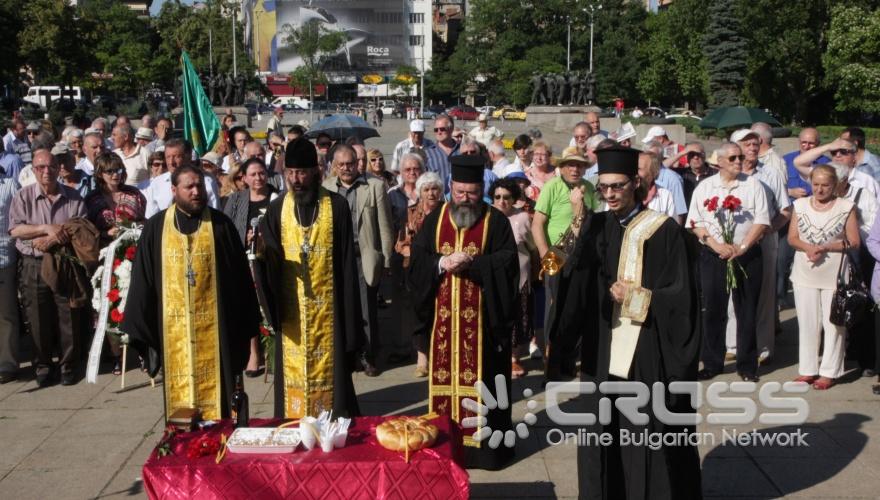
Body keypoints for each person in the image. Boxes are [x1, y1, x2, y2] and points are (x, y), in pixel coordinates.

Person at [547, 145, 702, 500]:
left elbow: (683, 299)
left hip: (647, 351)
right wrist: (577, 222)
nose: (611, 194)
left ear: (636, 184)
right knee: (603, 433)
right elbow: (554, 268)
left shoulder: (664, 232)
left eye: (618, 186)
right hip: (603, 348)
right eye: (603, 187)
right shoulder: (594, 226)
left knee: (646, 433)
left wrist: (637, 296)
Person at [122, 165, 259, 420]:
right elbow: (144, 283)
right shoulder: (156, 228)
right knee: (180, 410)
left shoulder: (220, 225)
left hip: (217, 337)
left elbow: (240, 282)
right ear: (174, 190)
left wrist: (244, 328)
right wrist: (145, 336)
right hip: (174, 335)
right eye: (189, 187)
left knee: (222, 405)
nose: (196, 192)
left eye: (200, 186)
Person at [409, 154, 519, 470]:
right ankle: (446, 445)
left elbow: (508, 263)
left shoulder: (495, 222)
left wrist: (474, 265)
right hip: (443, 325)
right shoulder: (435, 219)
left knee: (487, 388)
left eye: (472, 192)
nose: (466, 198)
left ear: (480, 189)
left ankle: (487, 453)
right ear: (451, 187)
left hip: (484, 329)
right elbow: (418, 262)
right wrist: (441, 263)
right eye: (460, 192)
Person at [258, 137, 363, 418]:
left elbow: (347, 269)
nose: (296, 179)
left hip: (329, 315)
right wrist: (260, 255)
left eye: (302, 172)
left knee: (335, 388)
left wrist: (351, 324)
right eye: (290, 173)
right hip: (292, 314)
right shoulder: (277, 209)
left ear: (315, 172)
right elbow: (267, 258)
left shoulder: (336, 207)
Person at [687, 142, 770, 382]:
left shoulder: (752, 185)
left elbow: (762, 220)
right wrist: (717, 246)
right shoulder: (705, 187)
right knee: (713, 310)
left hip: (747, 255)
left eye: (740, 157)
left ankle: (747, 365)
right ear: (720, 161)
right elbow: (695, 222)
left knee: (746, 310)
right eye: (733, 157)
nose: (738, 161)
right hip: (714, 256)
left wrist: (742, 247)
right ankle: (712, 362)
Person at [8, 149, 88, 387]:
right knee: (37, 317)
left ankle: (68, 366)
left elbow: (80, 228)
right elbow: (16, 230)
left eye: (51, 166)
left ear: (58, 168)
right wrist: (46, 228)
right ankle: (43, 366)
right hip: (34, 263)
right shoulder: (23, 197)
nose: (46, 172)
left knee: (69, 315)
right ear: (33, 170)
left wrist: (52, 239)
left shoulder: (73, 197)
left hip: (65, 262)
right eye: (41, 167)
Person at [322, 145, 394, 377]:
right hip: (336, 258)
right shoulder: (325, 189)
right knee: (340, 307)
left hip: (364, 256)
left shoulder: (374, 187)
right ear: (334, 165)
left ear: (357, 164)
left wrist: (386, 261)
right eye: (341, 165)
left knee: (365, 309)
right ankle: (345, 355)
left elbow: (385, 227)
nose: (346, 169)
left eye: (350, 164)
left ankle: (367, 355)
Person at [788, 165, 859, 390]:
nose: (819, 190)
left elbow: (854, 241)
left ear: (835, 185)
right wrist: (808, 247)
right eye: (816, 184)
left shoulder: (846, 207)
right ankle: (807, 369)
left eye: (825, 185)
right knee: (808, 322)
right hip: (805, 270)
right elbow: (792, 237)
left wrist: (828, 246)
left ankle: (830, 371)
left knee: (833, 324)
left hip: (834, 273)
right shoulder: (799, 205)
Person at [532, 147, 600, 377]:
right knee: (554, 308)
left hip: (581, 255)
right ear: (562, 167)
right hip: (557, 253)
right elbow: (537, 223)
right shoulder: (552, 186)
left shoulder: (589, 188)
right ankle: (551, 365)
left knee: (577, 308)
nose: (575, 168)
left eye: (579, 165)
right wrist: (544, 255)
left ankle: (569, 362)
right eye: (570, 164)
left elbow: (589, 221)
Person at [85, 153, 147, 375]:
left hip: (130, 255)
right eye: (110, 171)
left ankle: (142, 351)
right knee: (108, 306)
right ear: (100, 174)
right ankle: (117, 355)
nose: (115, 175)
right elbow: (88, 231)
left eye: (119, 170)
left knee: (134, 302)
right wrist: (105, 232)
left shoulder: (135, 195)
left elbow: (144, 222)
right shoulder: (92, 200)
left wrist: (131, 226)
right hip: (105, 258)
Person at [222, 157, 279, 378]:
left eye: (261, 173)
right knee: (250, 307)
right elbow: (226, 230)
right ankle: (253, 354)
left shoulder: (278, 198)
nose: (258, 178)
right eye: (253, 174)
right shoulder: (236, 200)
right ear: (244, 178)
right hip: (245, 261)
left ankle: (275, 353)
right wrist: (244, 239)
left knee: (271, 306)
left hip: (271, 261)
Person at [392, 171, 443, 376]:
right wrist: (411, 253)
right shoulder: (411, 212)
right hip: (417, 269)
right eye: (426, 189)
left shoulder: (447, 211)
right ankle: (422, 359)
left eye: (434, 189)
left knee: (440, 312)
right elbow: (401, 243)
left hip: (441, 266)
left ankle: (441, 356)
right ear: (420, 192)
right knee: (420, 312)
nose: (431, 193)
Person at [490, 178, 535, 379]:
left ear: (514, 199)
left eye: (506, 197)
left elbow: (532, 246)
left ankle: (514, 358)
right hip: (493, 276)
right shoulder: (486, 216)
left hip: (519, 275)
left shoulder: (523, 217)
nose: (502, 201)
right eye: (497, 197)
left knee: (517, 317)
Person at [143, 139, 220, 218]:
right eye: (168, 157)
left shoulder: (206, 182)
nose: (171, 162)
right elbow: (150, 217)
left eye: (176, 157)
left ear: (189, 157)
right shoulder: (157, 183)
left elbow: (214, 215)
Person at [0, 171, 19, 383]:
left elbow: (18, 216)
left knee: (5, 315)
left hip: (3, 256)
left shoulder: (8, 184)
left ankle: (6, 364)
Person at [637, 152, 679, 223]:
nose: (635, 173)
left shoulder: (665, 196)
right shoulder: (626, 192)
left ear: (653, 172)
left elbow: (672, 228)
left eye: (639, 169)